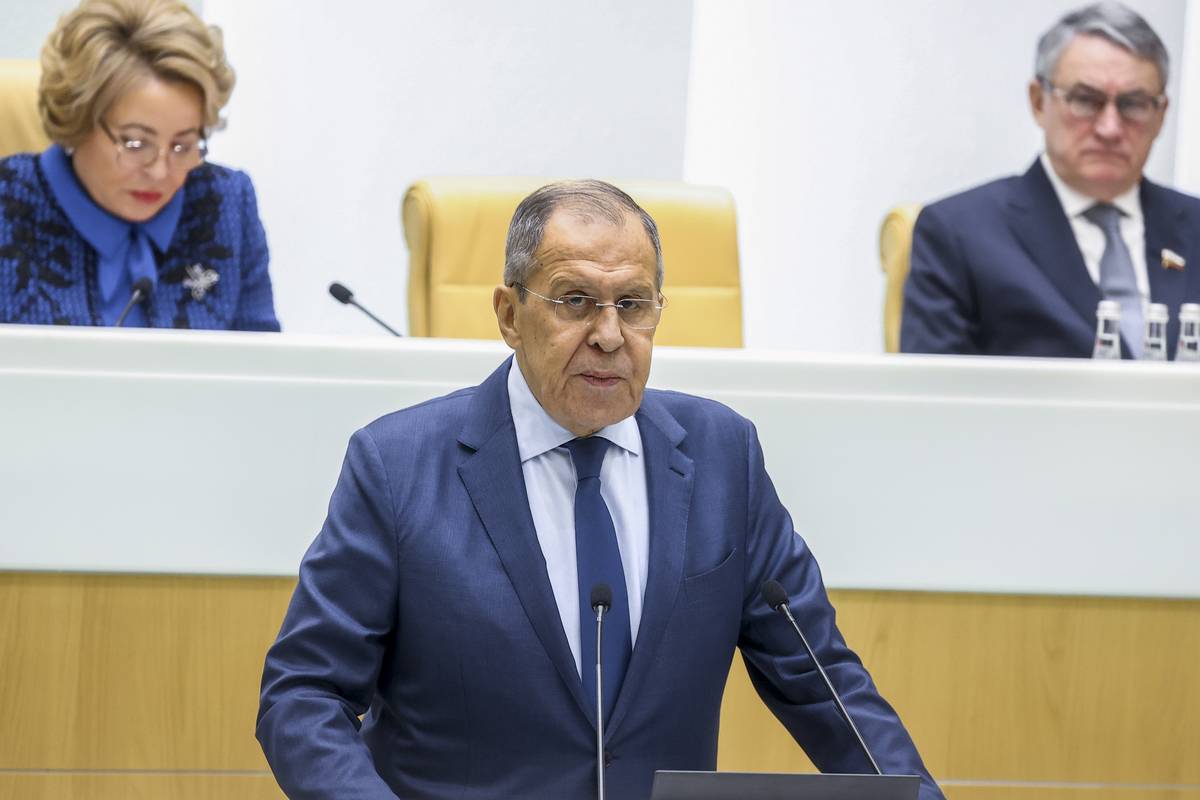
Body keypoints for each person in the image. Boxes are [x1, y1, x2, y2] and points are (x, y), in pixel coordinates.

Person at [257, 180, 944, 800]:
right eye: (576, 301)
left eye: (633, 305)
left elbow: (824, 682)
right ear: (508, 314)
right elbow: (303, 695)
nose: (610, 336)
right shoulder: (398, 466)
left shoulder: (722, 457)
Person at [901, 2, 1199, 359]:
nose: (1109, 128)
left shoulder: (1194, 226)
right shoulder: (959, 233)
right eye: (1085, 100)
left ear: (1161, 114)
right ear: (1039, 101)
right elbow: (933, 401)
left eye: (1133, 104)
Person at [0, 0, 279, 330]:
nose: (161, 171)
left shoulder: (227, 204)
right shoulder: (8, 203)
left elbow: (260, 366)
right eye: (135, 143)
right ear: (78, 120)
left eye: (183, 145)